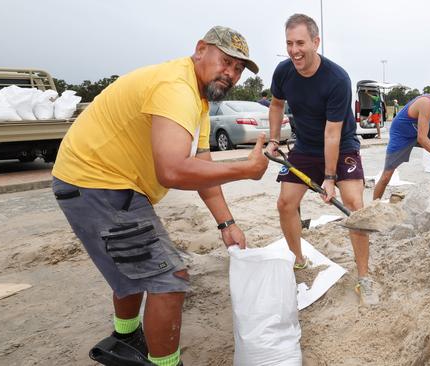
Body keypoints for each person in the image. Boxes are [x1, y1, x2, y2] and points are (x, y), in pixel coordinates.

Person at [51, 26, 268, 366]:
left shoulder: (198, 99)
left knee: (137, 266)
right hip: (98, 183)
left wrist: (227, 223)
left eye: (238, 68)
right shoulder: (176, 88)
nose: (231, 73)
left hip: (100, 183)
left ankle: (125, 336)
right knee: (170, 278)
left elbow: (201, 165)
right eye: (225, 61)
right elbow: (173, 171)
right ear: (200, 50)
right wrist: (246, 168)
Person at [266, 14, 379, 306]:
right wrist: (275, 139)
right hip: (305, 147)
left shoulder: (337, 79)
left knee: (355, 204)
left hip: (341, 146)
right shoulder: (283, 72)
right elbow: (277, 104)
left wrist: (330, 179)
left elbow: (333, 133)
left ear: (316, 42)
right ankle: (298, 260)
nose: (294, 50)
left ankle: (364, 278)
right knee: (285, 204)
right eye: (289, 43)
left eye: (300, 43)